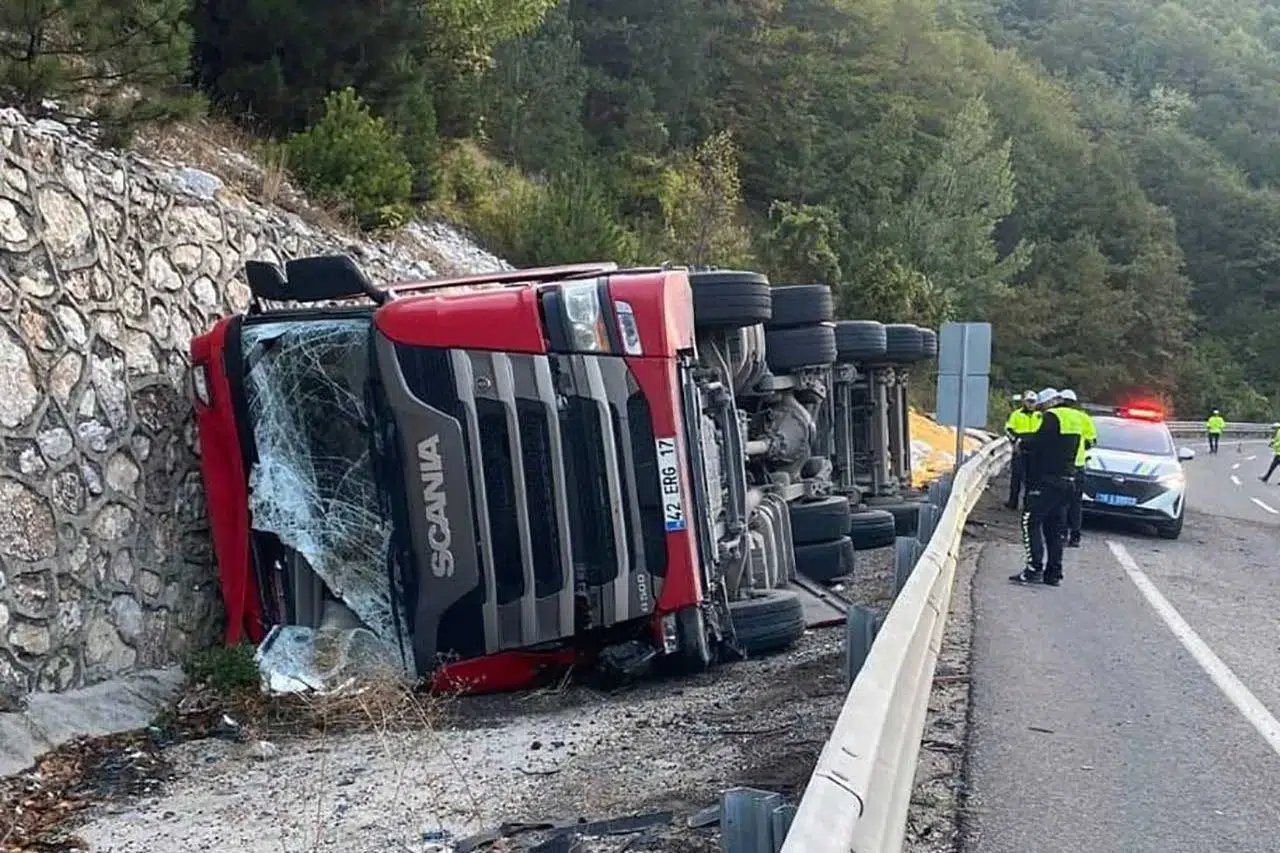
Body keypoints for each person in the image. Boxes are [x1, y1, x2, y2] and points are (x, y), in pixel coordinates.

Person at [1010, 388, 1079, 588]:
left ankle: (1034, 568)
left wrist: (1022, 442)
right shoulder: (1076, 418)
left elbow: (1040, 442)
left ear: (1049, 402)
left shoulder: (1052, 417)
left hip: (1049, 479)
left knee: (1030, 520)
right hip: (1069, 478)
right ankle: (1054, 573)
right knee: (1054, 527)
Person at [1058, 389, 1095, 548]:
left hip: (1060, 465)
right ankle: (1075, 537)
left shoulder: (1055, 414)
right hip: (1078, 466)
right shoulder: (1083, 417)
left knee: (1061, 503)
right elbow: (1091, 441)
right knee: (1076, 504)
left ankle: (1061, 534)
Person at [1004, 390, 1041, 510]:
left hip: (1034, 452)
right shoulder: (1016, 414)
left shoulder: (1040, 416)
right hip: (1020, 450)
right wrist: (1015, 440)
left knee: (1031, 479)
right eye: (1029, 402)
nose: (1031, 404)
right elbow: (1008, 429)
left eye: (1033, 402)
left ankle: (1028, 503)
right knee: (1016, 477)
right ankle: (1012, 501)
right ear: (1024, 402)